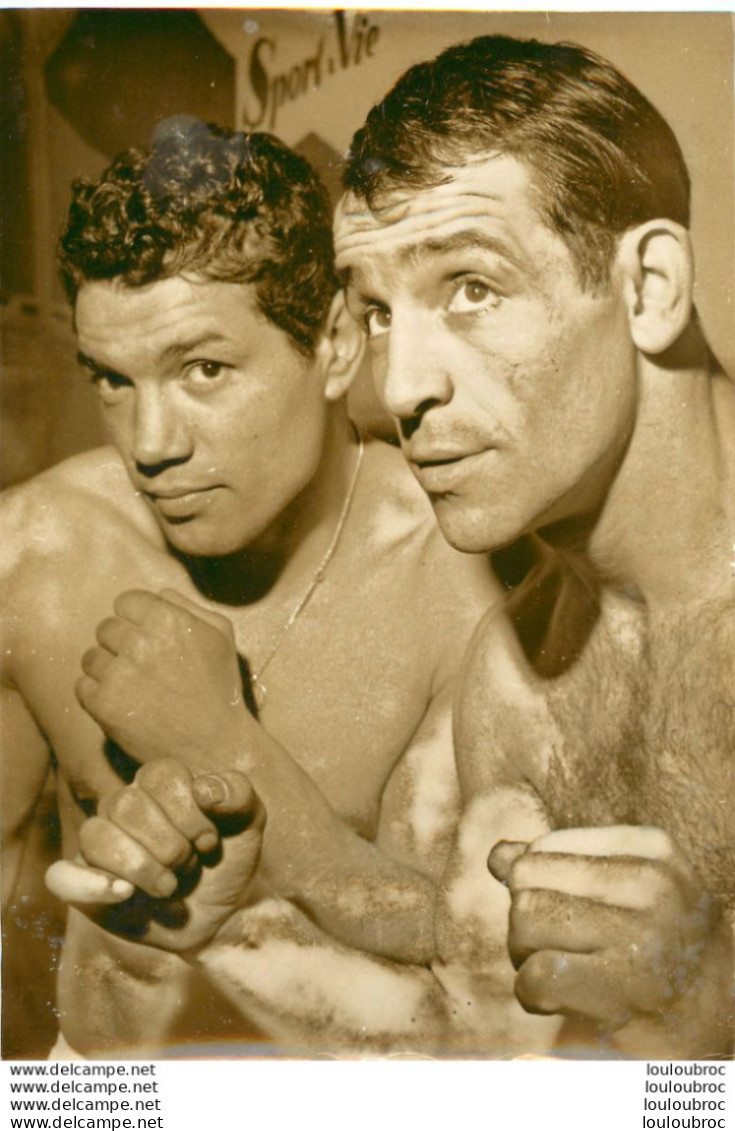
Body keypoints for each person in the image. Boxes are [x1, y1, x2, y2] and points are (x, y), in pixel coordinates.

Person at [63, 35, 734, 1060]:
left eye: (470, 287)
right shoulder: (514, 683)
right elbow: (473, 1035)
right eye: (377, 311)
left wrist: (715, 1010)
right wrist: (234, 930)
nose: (401, 383)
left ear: (647, 287)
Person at [0, 119, 496, 1058]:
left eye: (203, 370)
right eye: (111, 379)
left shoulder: (460, 581)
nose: (149, 443)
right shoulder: (32, 554)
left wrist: (227, 747)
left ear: (336, 345)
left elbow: (471, 970)